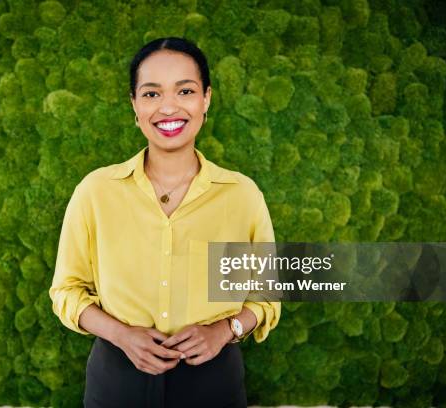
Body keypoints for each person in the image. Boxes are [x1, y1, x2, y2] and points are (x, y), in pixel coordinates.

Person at [49, 37, 281, 408]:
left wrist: (225, 330)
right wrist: (122, 335)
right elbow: (66, 291)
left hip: (213, 382)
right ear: (134, 105)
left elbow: (265, 295)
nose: (168, 107)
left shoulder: (241, 195)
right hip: (116, 380)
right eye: (152, 94)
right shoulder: (96, 191)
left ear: (206, 98)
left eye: (185, 90)